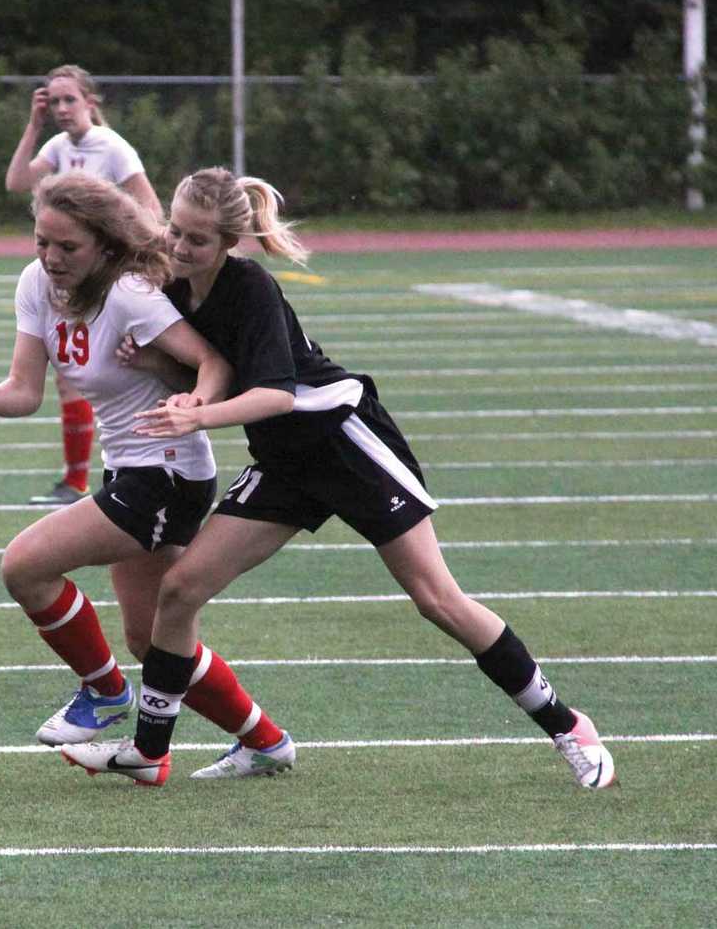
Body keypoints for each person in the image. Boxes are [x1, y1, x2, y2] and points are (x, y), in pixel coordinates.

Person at [61, 166, 618, 790]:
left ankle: (569, 725)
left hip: (346, 445)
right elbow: (213, 368)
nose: (178, 246)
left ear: (229, 245)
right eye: (175, 229)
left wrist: (198, 418)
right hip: (285, 462)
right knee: (181, 588)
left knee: (436, 600)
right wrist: (169, 376)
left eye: (197, 239)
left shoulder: (250, 289)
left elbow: (273, 394)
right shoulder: (176, 284)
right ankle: (149, 749)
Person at [0, 171, 294, 785]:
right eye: (41, 242)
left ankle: (104, 693)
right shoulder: (35, 284)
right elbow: (25, 392)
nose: (50, 258)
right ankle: (266, 742)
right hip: (127, 469)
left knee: (24, 565)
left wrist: (194, 408)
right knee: (150, 642)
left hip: (169, 474)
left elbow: (214, 359)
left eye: (67, 247)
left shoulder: (131, 293)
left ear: (105, 246)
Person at [5, 64, 163, 507]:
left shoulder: (113, 148)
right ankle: (78, 482)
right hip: (76, 281)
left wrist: (123, 257)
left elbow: (150, 210)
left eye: (69, 99)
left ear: (91, 102)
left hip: (106, 283)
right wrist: (32, 127)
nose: (60, 108)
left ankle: (134, 473)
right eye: (52, 102)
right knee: (70, 376)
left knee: (119, 375)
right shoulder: (57, 146)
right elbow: (16, 183)